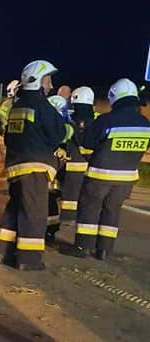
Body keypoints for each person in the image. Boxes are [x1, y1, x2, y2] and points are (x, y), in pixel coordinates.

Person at [0, 60, 66, 271]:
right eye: (48, 80)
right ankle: (29, 259)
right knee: (34, 214)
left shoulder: (17, 106)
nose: (51, 86)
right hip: (35, 167)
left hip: (16, 166)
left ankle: (3, 252)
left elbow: (9, 136)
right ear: (38, 81)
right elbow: (58, 134)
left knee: (15, 209)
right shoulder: (42, 105)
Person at [68, 79, 150, 260]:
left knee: (89, 209)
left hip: (100, 175)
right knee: (112, 211)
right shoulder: (145, 123)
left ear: (114, 98)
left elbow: (88, 143)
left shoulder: (106, 120)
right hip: (126, 179)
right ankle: (104, 250)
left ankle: (83, 247)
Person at [58, 86, 97, 220]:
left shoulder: (70, 119)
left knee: (70, 196)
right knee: (88, 197)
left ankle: (67, 219)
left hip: (72, 166)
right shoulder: (98, 120)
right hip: (92, 166)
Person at [45, 95, 74, 240]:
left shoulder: (50, 126)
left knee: (47, 199)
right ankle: (51, 229)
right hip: (58, 169)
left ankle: (47, 228)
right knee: (51, 199)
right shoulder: (68, 126)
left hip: (51, 169)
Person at [0, 80, 21, 189]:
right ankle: (2, 185)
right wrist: (6, 134)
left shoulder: (15, 103)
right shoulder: (9, 103)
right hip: (6, 138)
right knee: (4, 162)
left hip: (11, 138)